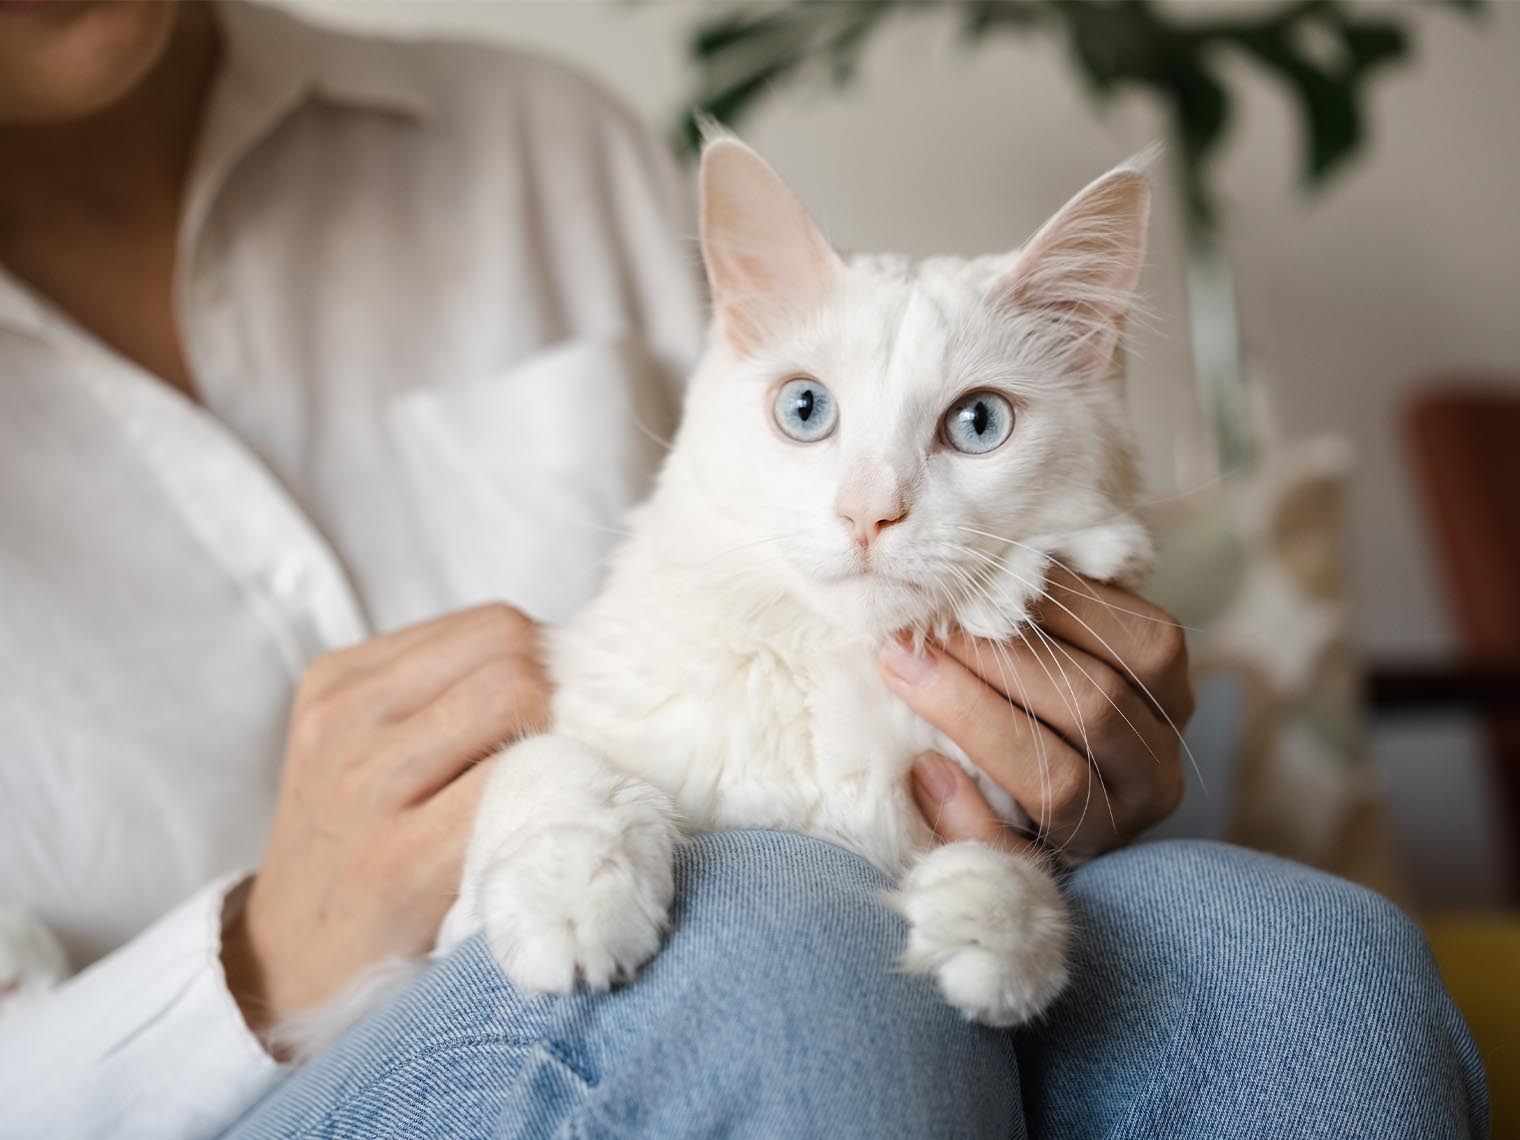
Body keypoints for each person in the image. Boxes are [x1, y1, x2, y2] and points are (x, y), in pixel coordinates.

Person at [0, 3, 1486, 1138]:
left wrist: (1081, 770)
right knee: (775, 944)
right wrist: (256, 962)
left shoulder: (544, 141)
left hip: (855, 888)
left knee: (1313, 962)